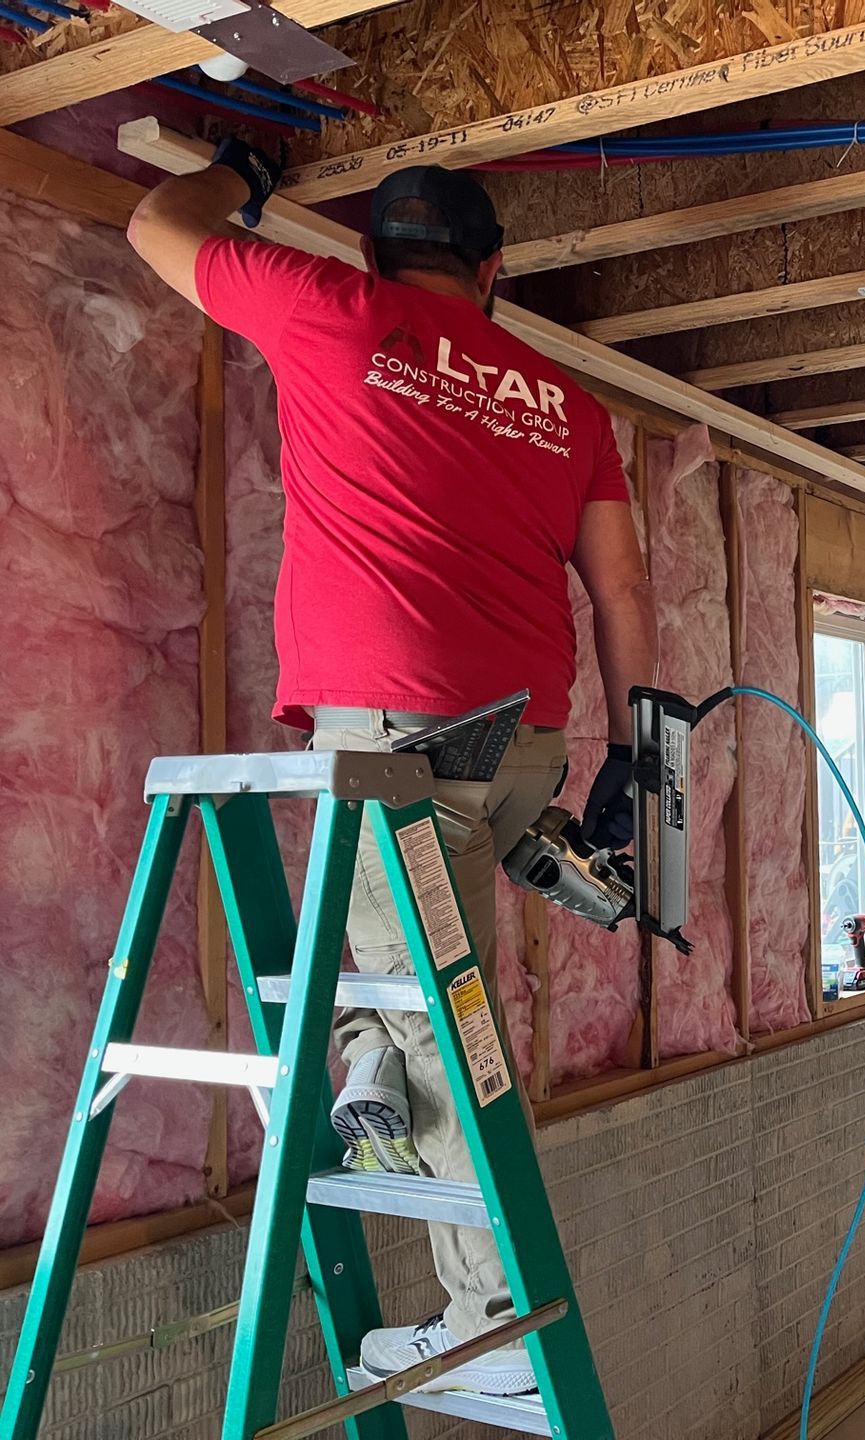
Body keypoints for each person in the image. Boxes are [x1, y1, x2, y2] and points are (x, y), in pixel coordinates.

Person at [126, 141, 654, 1397]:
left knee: (435, 1028)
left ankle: (492, 1326)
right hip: (521, 749)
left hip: (395, 748)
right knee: (380, 974)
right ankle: (360, 1064)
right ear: (493, 271)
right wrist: (636, 752)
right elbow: (624, 592)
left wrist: (240, 173)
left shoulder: (331, 307)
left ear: (372, 252)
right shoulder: (566, 406)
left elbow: (155, 224)